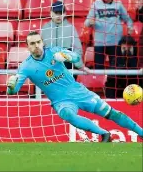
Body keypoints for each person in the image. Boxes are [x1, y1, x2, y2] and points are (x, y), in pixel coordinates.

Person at [7, 31, 143, 142]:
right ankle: (104, 134)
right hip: (61, 101)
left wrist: (67, 56)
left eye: (38, 42)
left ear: (42, 43)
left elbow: (77, 58)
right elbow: (13, 91)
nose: (36, 45)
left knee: (111, 113)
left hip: (78, 91)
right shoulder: (26, 67)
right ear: (28, 47)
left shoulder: (54, 51)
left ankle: (141, 132)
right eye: (32, 43)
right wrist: (10, 86)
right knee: (67, 114)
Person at [85, 0, 133, 69]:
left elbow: (127, 19)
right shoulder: (95, 5)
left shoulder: (118, 5)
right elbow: (86, 23)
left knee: (116, 68)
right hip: (99, 43)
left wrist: (130, 27)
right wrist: (90, 22)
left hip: (115, 42)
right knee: (98, 68)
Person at [41, 1, 85, 79]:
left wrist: (79, 65)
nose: (59, 15)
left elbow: (77, 48)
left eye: (61, 13)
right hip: (49, 64)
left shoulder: (70, 28)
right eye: (56, 13)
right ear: (51, 13)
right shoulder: (44, 28)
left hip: (67, 65)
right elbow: (40, 48)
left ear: (64, 13)